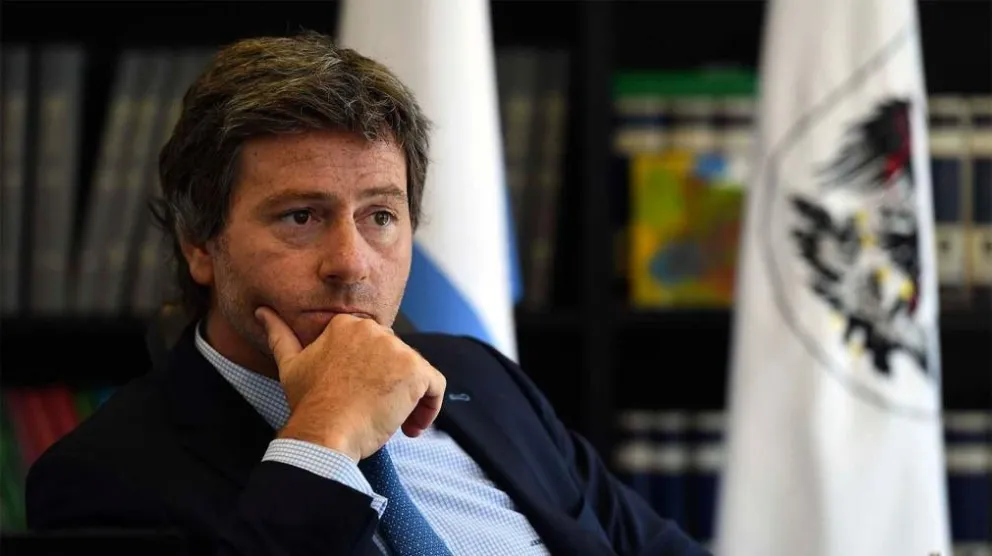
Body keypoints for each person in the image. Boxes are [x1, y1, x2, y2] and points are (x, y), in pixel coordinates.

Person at [25, 31, 710, 556]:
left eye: (380, 216)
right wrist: (324, 436)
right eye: (301, 217)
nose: (351, 264)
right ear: (199, 244)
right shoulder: (101, 477)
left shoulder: (480, 378)